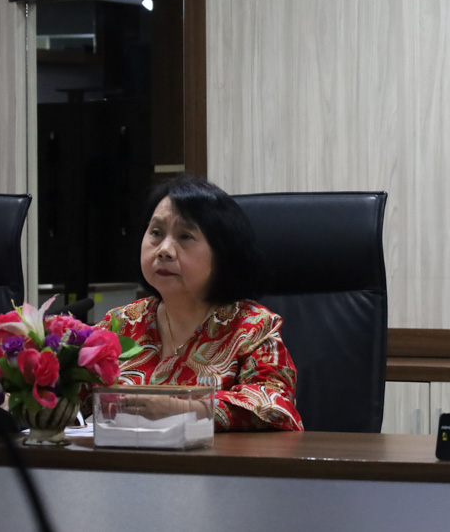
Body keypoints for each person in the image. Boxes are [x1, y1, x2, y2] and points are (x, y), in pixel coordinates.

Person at [90, 175, 303, 432]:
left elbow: (275, 404)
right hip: (124, 456)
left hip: (219, 459)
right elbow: (69, 395)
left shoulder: (252, 326)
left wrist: (185, 409)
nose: (164, 250)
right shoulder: (121, 323)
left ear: (223, 253)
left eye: (185, 236)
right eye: (156, 233)